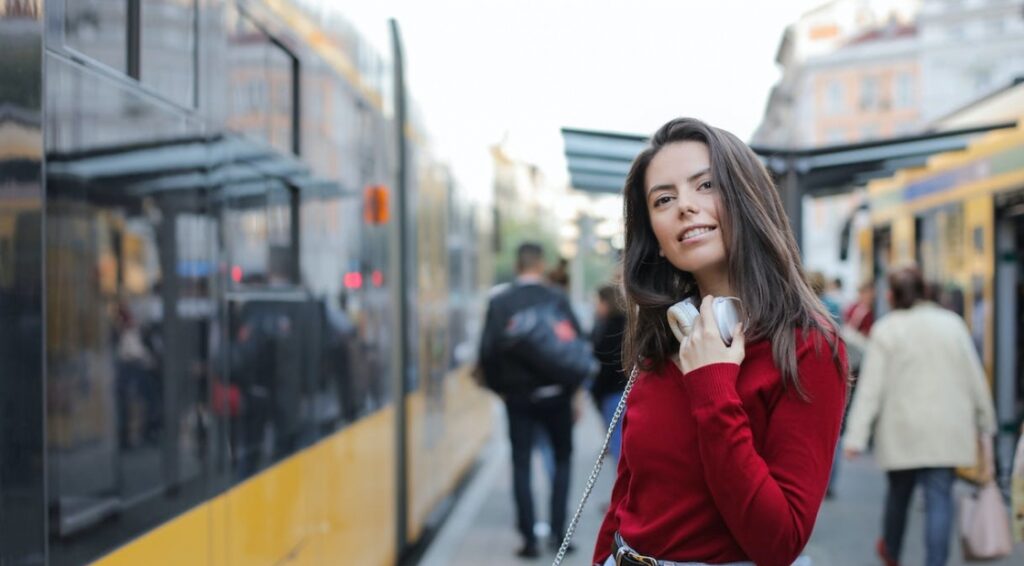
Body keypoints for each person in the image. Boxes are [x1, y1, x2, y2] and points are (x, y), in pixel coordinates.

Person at [593, 118, 847, 566]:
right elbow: (627, 497)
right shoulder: (668, 332)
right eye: (664, 199)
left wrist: (713, 387)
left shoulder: (806, 345)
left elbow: (779, 541)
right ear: (653, 232)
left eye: (705, 185)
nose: (684, 207)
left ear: (745, 196)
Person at [843, 265, 997, 566]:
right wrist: (985, 421)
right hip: (946, 430)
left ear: (891, 296)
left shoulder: (887, 329)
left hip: (901, 432)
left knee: (898, 497)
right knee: (940, 500)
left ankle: (892, 555)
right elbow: (974, 376)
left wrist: (856, 437)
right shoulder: (951, 324)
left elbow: (872, 388)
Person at [478, 242, 582, 558]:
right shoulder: (556, 298)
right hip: (558, 396)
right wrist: (574, 391)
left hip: (519, 398)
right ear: (541, 264)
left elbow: (486, 354)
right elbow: (577, 346)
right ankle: (558, 532)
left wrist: (502, 389)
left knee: (521, 464)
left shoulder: (501, 303)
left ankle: (529, 539)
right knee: (562, 461)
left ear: (517, 265)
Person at [589, 283, 628, 460]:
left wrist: (595, 390)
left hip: (614, 392)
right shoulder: (628, 324)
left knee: (619, 448)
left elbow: (605, 365)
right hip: (623, 390)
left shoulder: (608, 329)